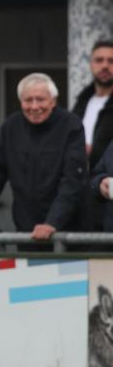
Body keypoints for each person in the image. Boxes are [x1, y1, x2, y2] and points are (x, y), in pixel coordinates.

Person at [0, 73, 87, 247]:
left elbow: (72, 180)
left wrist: (52, 222)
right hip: (27, 232)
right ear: (20, 102)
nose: (34, 106)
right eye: (28, 100)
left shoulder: (71, 125)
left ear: (53, 101)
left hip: (69, 234)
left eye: (41, 100)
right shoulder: (11, 127)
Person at [72, 40, 113, 230]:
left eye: (111, 61)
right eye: (99, 60)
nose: (105, 65)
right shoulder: (82, 101)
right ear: (91, 64)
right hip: (80, 192)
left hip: (107, 194)